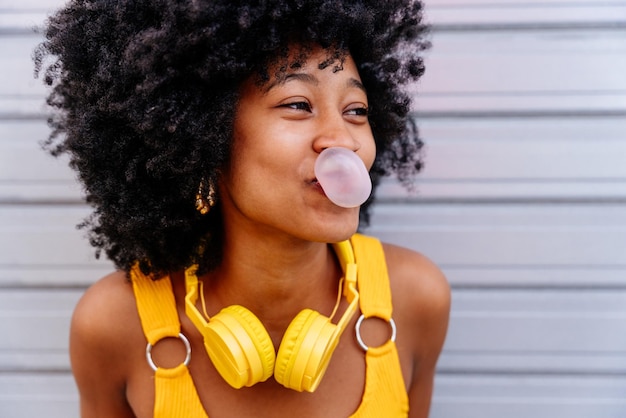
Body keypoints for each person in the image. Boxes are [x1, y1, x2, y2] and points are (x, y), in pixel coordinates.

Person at [35, 1, 450, 417]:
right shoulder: (112, 325)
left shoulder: (414, 298)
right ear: (205, 136)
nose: (344, 140)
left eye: (356, 111)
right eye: (298, 104)